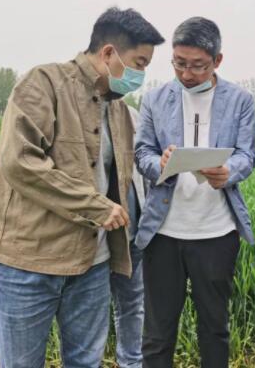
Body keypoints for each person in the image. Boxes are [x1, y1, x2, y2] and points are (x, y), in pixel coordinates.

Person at [0, 7, 165, 367]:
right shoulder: (44, 83)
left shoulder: (118, 109)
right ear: (109, 53)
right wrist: (96, 206)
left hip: (92, 264)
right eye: (139, 64)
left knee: (85, 362)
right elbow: (20, 161)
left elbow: (130, 172)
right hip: (30, 263)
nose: (141, 75)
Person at [134, 16, 255, 368]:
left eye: (198, 65)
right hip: (164, 232)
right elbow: (142, 152)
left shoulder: (240, 100)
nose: (186, 74)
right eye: (179, 63)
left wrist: (228, 172)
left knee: (214, 328)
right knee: (157, 333)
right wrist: (160, 163)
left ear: (217, 60)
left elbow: (247, 155)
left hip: (216, 232)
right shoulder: (155, 99)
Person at [110, 105, 148, 368]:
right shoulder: (76, 113)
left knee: (133, 302)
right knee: (89, 309)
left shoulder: (132, 115)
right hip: (97, 235)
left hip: (132, 231)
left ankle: (132, 362)